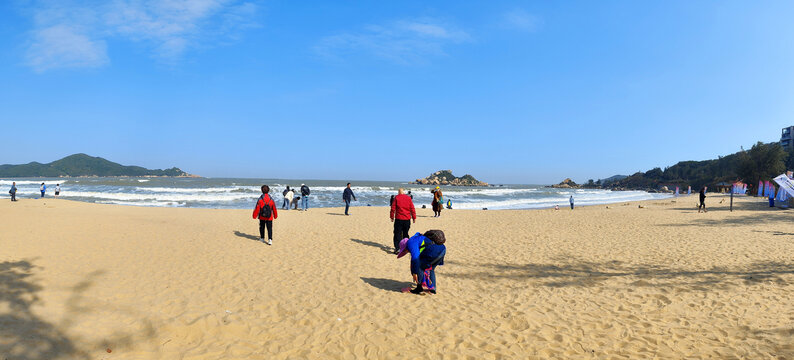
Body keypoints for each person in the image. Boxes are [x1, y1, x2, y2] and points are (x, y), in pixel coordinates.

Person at [397, 230, 446, 294]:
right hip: (442, 250)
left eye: (404, 251)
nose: (406, 252)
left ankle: (419, 288)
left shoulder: (411, 243)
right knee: (431, 269)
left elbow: (415, 258)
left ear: (405, 247)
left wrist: (414, 272)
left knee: (420, 267)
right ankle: (432, 289)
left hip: (434, 252)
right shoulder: (417, 238)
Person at [390, 188, 416, 254]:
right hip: (407, 219)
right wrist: (414, 217)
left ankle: (398, 248)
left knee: (397, 234)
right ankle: (405, 247)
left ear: (399, 192)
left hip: (399, 219)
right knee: (405, 233)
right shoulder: (408, 198)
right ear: (403, 192)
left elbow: (393, 208)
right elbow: (412, 208)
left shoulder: (397, 197)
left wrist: (392, 216)